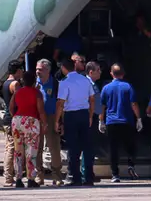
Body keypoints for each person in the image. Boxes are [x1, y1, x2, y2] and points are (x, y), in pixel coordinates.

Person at [54, 57, 96, 186]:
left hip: (71, 115)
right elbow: (92, 99)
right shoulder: (85, 80)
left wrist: (57, 120)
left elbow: (60, 103)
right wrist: (90, 116)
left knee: (73, 147)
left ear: (63, 68)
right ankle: (88, 177)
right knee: (87, 146)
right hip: (84, 114)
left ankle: (74, 176)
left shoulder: (65, 82)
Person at [99, 63, 143, 182]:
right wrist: (139, 118)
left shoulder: (106, 88)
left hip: (111, 122)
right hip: (127, 121)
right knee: (131, 146)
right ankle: (131, 165)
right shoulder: (128, 87)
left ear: (111, 74)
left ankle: (115, 174)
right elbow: (134, 104)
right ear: (123, 74)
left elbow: (102, 106)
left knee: (113, 148)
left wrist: (101, 120)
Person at [9, 70, 48, 188]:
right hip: (31, 121)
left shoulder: (18, 92)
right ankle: (31, 178)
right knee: (31, 151)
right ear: (34, 81)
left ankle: (18, 178)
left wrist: (16, 117)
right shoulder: (37, 93)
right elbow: (41, 110)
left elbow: (11, 107)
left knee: (18, 150)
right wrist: (44, 124)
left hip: (17, 120)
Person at [34, 59, 63, 186]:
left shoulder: (56, 84)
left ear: (48, 70)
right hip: (37, 118)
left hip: (51, 117)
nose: (37, 72)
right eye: (36, 69)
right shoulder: (34, 83)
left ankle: (57, 175)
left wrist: (60, 121)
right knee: (37, 147)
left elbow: (60, 103)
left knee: (54, 147)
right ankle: (39, 175)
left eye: (40, 69)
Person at [1, 60, 24, 187]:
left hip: (7, 119)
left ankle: (9, 176)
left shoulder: (5, 83)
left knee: (9, 148)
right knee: (12, 148)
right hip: (12, 119)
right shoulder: (15, 84)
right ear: (18, 70)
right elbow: (19, 100)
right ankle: (8, 177)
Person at [82, 61, 103, 182]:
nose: (100, 72)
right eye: (98, 70)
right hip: (90, 116)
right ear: (91, 72)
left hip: (93, 116)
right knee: (87, 145)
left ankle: (89, 172)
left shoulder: (92, 84)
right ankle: (86, 173)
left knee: (91, 145)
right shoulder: (87, 84)